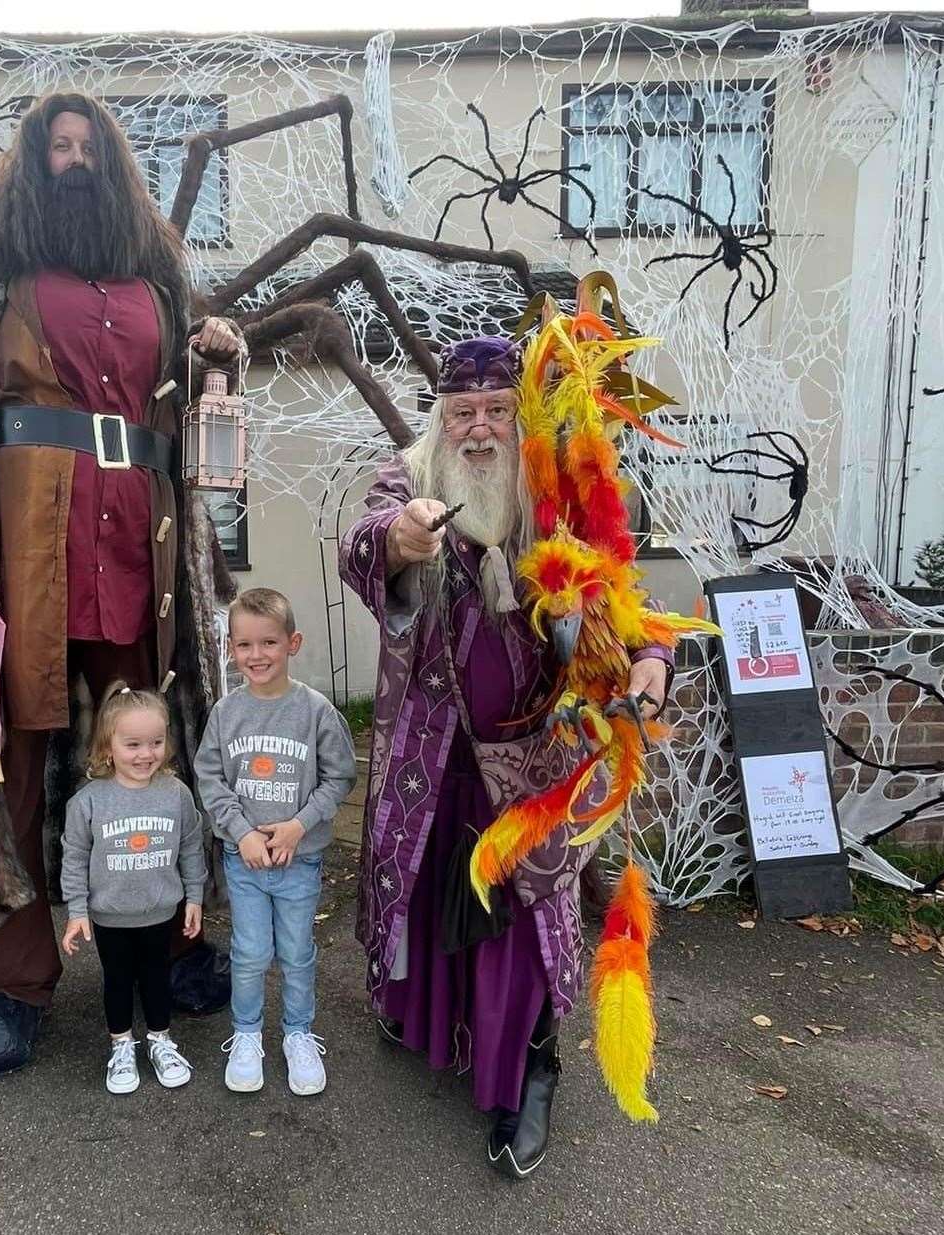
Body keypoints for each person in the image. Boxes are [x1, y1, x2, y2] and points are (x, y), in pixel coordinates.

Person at [0, 91, 242, 1079]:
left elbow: (188, 396)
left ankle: (167, 944)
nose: (74, 159)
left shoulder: (157, 271)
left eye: (90, 146)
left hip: (139, 529)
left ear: (114, 163)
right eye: (58, 148)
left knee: (147, 739)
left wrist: (219, 359)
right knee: (9, 754)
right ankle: (12, 983)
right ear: (34, 166)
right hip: (25, 528)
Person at [338, 337, 673, 1177]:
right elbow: (363, 542)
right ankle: (423, 1020)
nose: (479, 429)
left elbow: (630, 596)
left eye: (495, 412)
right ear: (440, 420)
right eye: (462, 414)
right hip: (429, 751)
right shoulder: (408, 477)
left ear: (517, 418)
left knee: (522, 915)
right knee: (418, 890)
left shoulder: (555, 494)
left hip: (531, 762)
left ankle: (531, 1068)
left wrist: (653, 659)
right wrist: (401, 538)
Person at [193, 588, 357, 1096]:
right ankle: (245, 1036)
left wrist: (298, 825)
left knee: (296, 950)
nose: (256, 655)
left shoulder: (316, 712)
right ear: (230, 650)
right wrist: (241, 833)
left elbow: (340, 778)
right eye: (244, 645)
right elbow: (210, 778)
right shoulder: (225, 714)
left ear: (293, 643)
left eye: (268, 642)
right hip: (245, 860)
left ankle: (298, 1033)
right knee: (248, 952)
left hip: (298, 860)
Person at [60, 683, 205, 1094]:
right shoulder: (88, 803)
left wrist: (194, 896)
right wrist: (76, 911)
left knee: (158, 977)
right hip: (110, 916)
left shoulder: (176, 795)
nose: (146, 754)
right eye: (133, 744)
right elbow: (74, 859)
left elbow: (192, 847)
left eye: (156, 742)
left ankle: (160, 1039)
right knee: (118, 979)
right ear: (108, 748)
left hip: (160, 912)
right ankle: (121, 1045)